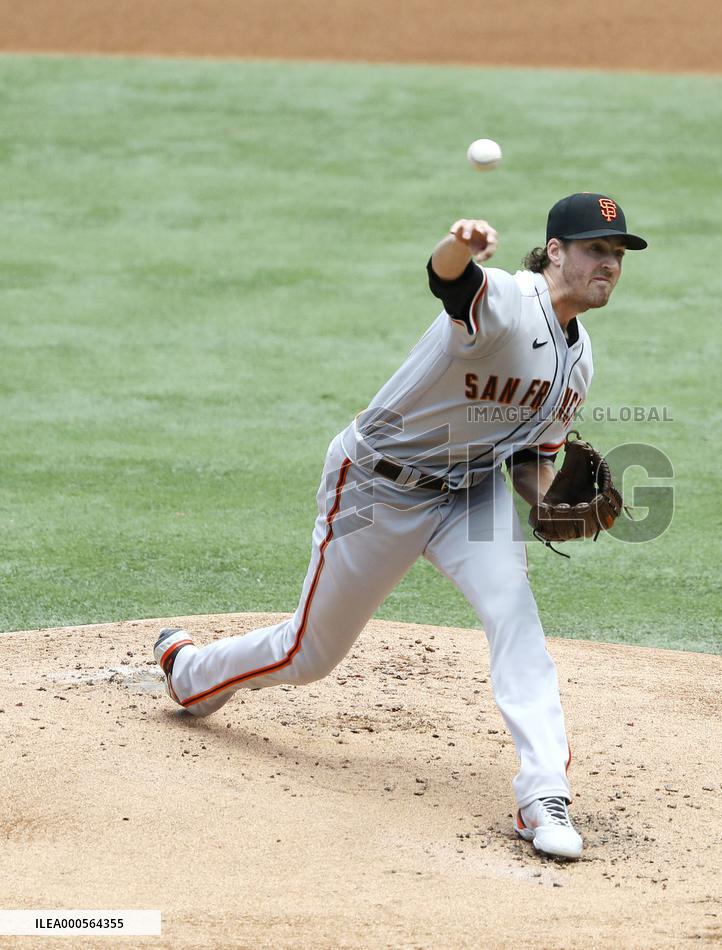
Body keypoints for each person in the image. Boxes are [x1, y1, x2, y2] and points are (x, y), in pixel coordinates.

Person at [154, 193, 647, 860]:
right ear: (555, 251)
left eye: (616, 255)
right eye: (596, 250)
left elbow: (533, 462)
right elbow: (450, 280)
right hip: (377, 487)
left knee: (516, 619)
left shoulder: (579, 361)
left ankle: (543, 796)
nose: (608, 264)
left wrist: (552, 500)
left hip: (469, 493)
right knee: (310, 654)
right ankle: (192, 674)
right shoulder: (505, 299)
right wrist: (459, 243)